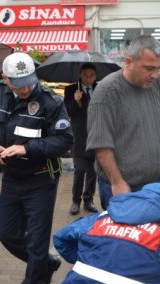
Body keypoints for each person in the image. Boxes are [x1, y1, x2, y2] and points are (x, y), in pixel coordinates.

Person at [86, 35, 160, 284]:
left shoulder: (156, 86)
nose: (154, 75)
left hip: (155, 185)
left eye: (158, 68)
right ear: (128, 61)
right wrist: (119, 182)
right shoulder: (106, 92)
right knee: (126, 249)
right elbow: (100, 143)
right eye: (148, 68)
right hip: (123, 188)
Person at [0, 52, 73, 284]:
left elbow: (64, 140)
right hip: (11, 179)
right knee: (7, 235)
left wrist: (27, 148)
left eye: (28, 82)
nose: (25, 88)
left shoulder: (50, 102)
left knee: (37, 239)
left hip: (41, 179)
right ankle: (44, 262)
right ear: (5, 80)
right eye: (18, 83)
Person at [64, 63, 99, 215]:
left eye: (92, 75)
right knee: (80, 170)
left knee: (93, 171)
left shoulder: (100, 89)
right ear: (80, 74)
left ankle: (88, 199)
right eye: (86, 75)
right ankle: (75, 201)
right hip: (79, 136)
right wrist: (74, 100)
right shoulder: (71, 89)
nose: (89, 78)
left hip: (96, 135)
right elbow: (67, 111)